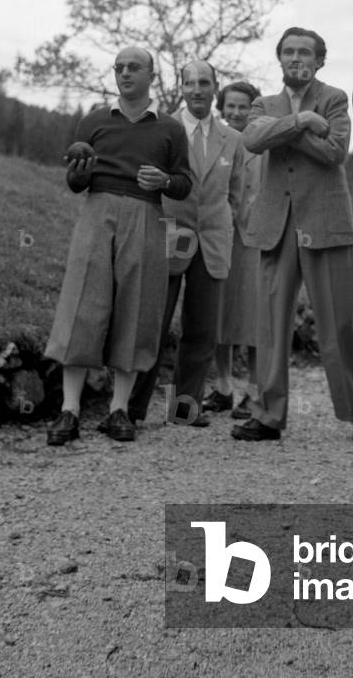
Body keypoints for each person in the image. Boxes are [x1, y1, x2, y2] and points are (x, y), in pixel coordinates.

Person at [231, 27, 353, 444]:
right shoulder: (264, 102)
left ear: (319, 61)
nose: (296, 58)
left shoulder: (334, 98)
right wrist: (300, 122)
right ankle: (268, 416)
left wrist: (286, 132)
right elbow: (252, 139)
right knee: (270, 327)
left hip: (326, 223)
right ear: (279, 59)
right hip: (276, 226)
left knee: (338, 325)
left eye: (305, 53)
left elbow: (335, 151)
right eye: (289, 52)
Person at [45, 46, 191, 445]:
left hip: (146, 214)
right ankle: (69, 411)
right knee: (82, 304)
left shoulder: (169, 129)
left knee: (137, 307)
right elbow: (76, 184)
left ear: (152, 75)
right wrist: (80, 172)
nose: (125, 73)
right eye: (119, 68)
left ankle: (119, 410)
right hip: (97, 212)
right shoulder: (93, 122)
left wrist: (163, 181)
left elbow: (184, 182)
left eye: (134, 67)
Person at [128, 60, 243, 428]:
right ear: (181, 87)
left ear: (215, 87)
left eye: (204, 82)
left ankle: (183, 409)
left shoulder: (233, 139)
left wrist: (222, 223)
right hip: (168, 236)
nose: (197, 89)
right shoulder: (161, 127)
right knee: (154, 324)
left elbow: (236, 194)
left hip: (213, 241)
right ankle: (132, 409)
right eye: (190, 82)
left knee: (202, 329)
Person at [202, 80, 264, 419]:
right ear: (221, 109)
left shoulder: (264, 145)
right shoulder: (215, 142)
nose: (236, 112)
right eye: (231, 106)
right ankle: (223, 387)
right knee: (219, 315)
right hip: (219, 236)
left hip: (254, 240)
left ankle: (255, 391)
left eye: (243, 106)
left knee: (253, 318)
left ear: (253, 109)